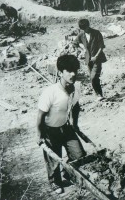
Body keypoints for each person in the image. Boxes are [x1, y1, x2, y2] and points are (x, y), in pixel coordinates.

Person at [36, 55, 86, 194]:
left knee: (79, 155)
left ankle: (68, 173)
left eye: (75, 70)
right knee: (53, 160)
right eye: (69, 71)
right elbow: (40, 115)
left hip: (66, 127)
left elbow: (75, 106)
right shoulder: (50, 92)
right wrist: (40, 135)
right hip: (50, 130)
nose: (73, 74)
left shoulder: (76, 88)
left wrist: (75, 124)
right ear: (60, 73)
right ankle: (54, 182)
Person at [72, 19, 107, 101]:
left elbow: (101, 46)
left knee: (93, 77)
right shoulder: (81, 34)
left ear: (88, 26)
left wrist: (96, 56)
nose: (85, 31)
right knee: (94, 78)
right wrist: (82, 50)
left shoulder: (96, 33)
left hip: (97, 58)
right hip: (88, 59)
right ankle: (99, 94)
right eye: (83, 29)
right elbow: (74, 43)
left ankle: (99, 94)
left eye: (86, 29)